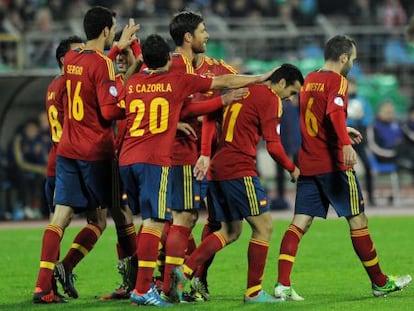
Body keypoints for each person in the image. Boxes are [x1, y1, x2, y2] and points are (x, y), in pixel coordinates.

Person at [118, 33, 274, 306]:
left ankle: (149, 284)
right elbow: (222, 82)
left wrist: (129, 57)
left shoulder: (133, 82)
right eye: (203, 31)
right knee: (174, 219)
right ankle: (151, 288)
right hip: (157, 158)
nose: (207, 35)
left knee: (149, 220)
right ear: (168, 57)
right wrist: (257, 79)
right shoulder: (177, 78)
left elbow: (124, 107)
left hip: (126, 159)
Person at [274, 35, 411, 301]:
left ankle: (282, 285)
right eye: (353, 59)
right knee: (358, 220)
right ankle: (380, 283)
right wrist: (345, 142)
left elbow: (314, 116)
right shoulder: (338, 81)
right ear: (344, 57)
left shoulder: (310, 78)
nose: (353, 63)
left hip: (308, 163)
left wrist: (340, 131)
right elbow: (335, 113)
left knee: (298, 223)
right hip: (334, 165)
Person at [170, 64, 304, 304]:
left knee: (230, 231)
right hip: (239, 169)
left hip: (219, 167)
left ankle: (183, 273)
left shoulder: (244, 89)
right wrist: (292, 169)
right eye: (292, 92)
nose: (291, 98)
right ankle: (253, 292)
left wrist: (206, 153)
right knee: (264, 227)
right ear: (281, 83)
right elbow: (273, 145)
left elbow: (210, 117)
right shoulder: (271, 98)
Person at [33, 6, 134, 303]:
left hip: (67, 152)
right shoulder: (101, 64)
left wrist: (117, 54)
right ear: (106, 30)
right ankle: (135, 281)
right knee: (120, 212)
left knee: (60, 217)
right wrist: (126, 94)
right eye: (113, 27)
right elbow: (108, 110)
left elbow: (93, 70)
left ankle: (43, 287)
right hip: (96, 152)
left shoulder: (72, 60)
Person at [347, 77, 375, 205]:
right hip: (345, 140)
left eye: (353, 85)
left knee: (368, 166)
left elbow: (369, 118)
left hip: (359, 139)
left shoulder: (362, 100)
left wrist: (361, 118)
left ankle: (371, 197)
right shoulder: (341, 100)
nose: (352, 88)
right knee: (343, 170)